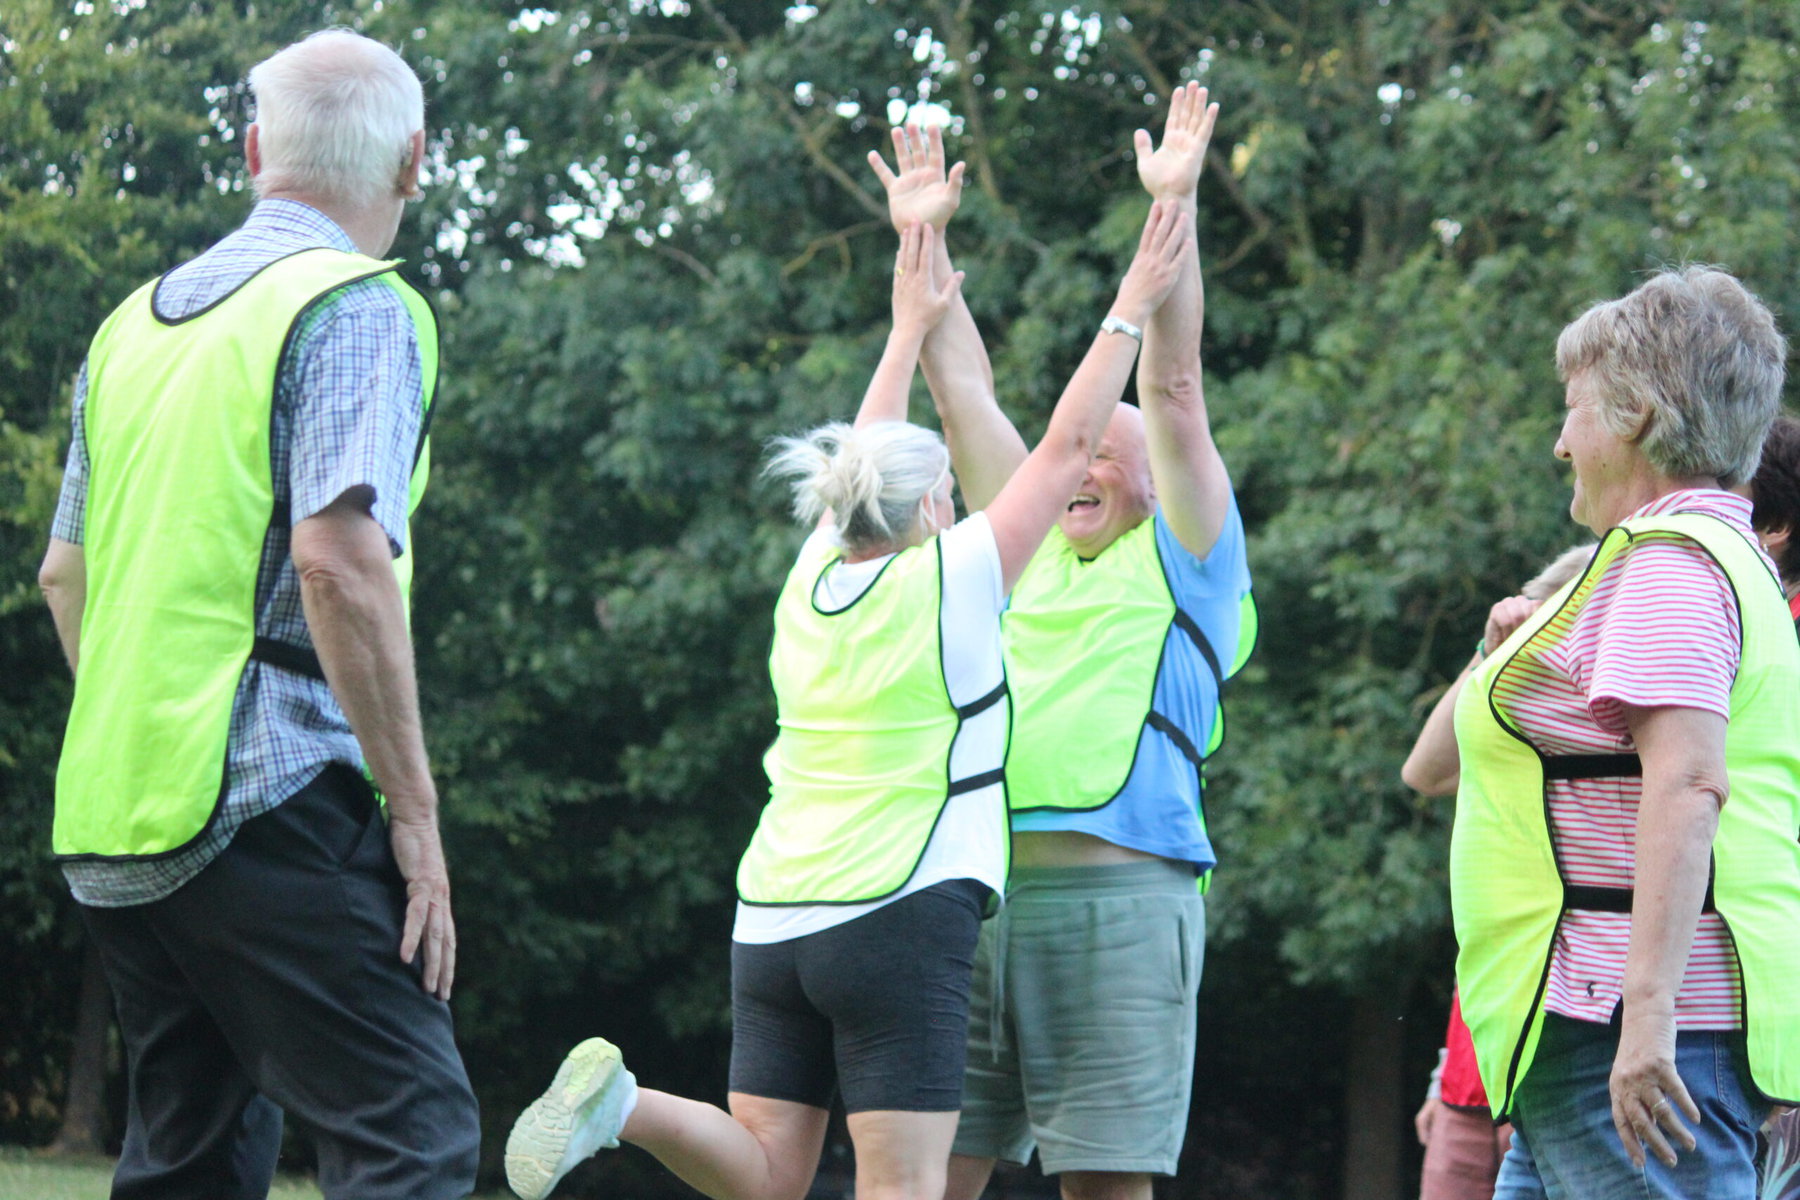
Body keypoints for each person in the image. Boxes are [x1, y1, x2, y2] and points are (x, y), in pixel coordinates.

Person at [503, 195, 1193, 1200]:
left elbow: (860, 450)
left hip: (773, 918)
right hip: (897, 913)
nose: (960, 504)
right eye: (949, 491)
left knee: (772, 1174)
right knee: (900, 1187)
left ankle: (624, 1109)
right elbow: (1065, 444)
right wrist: (1131, 304)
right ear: (926, 508)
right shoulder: (951, 578)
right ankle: (619, 1110)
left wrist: (909, 328)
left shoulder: (809, 580)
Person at [36, 29, 479, 1199]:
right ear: (413, 161)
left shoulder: (128, 330)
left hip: (117, 810)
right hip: (266, 793)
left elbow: (61, 578)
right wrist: (417, 823)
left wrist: (151, 724)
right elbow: (336, 564)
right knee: (412, 1130)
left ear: (250, 152)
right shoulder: (355, 306)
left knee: (193, 1161)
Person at [875, 86, 1254, 1200]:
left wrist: (1171, 214)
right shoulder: (1030, 549)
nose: (1078, 465)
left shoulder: (1189, 553)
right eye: (1070, 453)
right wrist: (922, 232)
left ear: (1151, 480)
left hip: (1121, 904)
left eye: (1103, 452)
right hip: (977, 900)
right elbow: (964, 396)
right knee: (933, 1173)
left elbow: (1172, 388)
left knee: (1104, 1186)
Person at [1447, 267, 1800, 1199]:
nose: (1561, 442)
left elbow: (1686, 787)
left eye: (1573, 410)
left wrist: (1647, 1021)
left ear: (1637, 413)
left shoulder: (1667, 566)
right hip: (1601, 1035)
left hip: (1625, 1043)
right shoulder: (1726, 556)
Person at [1401, 543, 1595, 1200]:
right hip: (1471, 1072)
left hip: (1560, 1058)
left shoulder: (1614, 732)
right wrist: (1489, 655)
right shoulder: (1505, 724)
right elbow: (1423, 771)